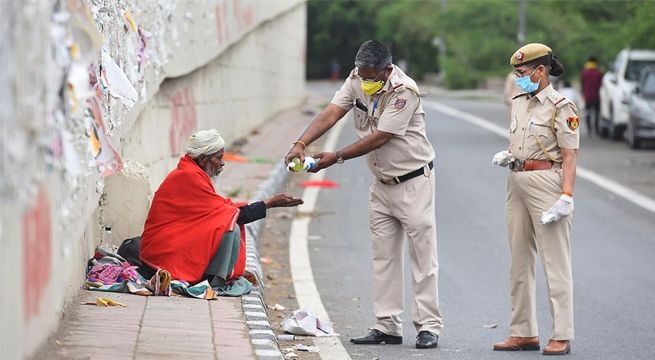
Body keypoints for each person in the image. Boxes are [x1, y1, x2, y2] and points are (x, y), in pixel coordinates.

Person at [285, 40, 442, 349]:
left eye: (371, 76)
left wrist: (336, 156)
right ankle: (387, 326)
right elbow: (332, 112)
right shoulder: (355, 79)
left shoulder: (403, 91)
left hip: (413, 182)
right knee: (383, 257)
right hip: (381, 183)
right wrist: (301, 142)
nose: (365, 80)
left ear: (386, 70)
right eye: (361, 73)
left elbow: (381, 137)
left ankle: (429, 326)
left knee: (423, 258)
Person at [492, 43, 579, 356]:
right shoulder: (519, 101)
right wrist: (510, 155)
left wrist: (566, 196)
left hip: (547, 182)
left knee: (555, 262)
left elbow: (570, 155)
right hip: (516, 180)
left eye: (523, 72)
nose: (518, 78)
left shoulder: (561, 106)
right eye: (516, 73)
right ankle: (523, 331)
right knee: (519, 260)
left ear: (541, 71)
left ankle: (562, 334)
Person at [140, 129, 303, 288]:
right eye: (218, 158)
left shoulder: (192, 172)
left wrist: (267, 203)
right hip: (162, 249)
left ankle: (215, 274)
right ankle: (215, 279)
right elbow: (232, 215)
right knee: (230, 228)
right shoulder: (187, 176)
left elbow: (221, 208)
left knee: (226, 220)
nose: (223, 163)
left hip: (172, 241)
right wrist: (269, 203)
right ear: (204, 160)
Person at [580, 56, 603, 137]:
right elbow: (601, 85)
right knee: (597, 113)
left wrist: (583, 94)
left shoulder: (584, 72)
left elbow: (582, 85)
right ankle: (596, 129)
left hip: (587, 97)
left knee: (588, 113)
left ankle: (589, 130)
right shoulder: (599, 72)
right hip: (596, 97)